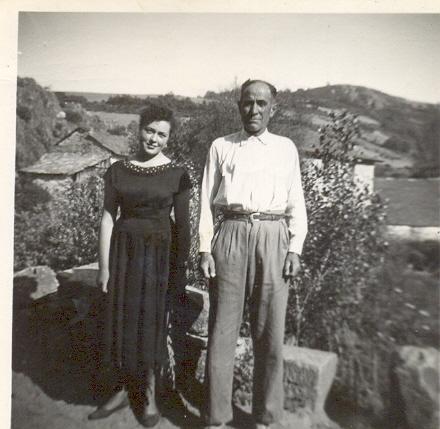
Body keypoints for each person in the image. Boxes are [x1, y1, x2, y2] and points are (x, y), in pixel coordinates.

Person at [199, 79, 308, 429]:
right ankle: (216, 417)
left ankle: (266, 417)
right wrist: (204, 248)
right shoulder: (221, 146)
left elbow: (296, 200)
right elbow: (205, 200)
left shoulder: (286, 148)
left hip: (274, 237)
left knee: (270, 332)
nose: (254, 109)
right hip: (231, 232)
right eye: (248, 102)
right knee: (222, 330)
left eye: (262, 103)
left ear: (273, 108)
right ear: (239, 106)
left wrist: (295, 248)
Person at [88, 104, 191, 428]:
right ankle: (121, 389)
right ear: (139, 129)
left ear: (169, 138)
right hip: (124, 255)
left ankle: (147, 394)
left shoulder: (178, 174)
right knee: (122, 320)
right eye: (149, 131)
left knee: (151, 322)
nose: (154, 139)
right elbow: (108, 217)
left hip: (158, 259)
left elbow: (184, 226)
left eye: (162, 134)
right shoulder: (118, 171)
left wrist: (179, 270)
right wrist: (104, 267)